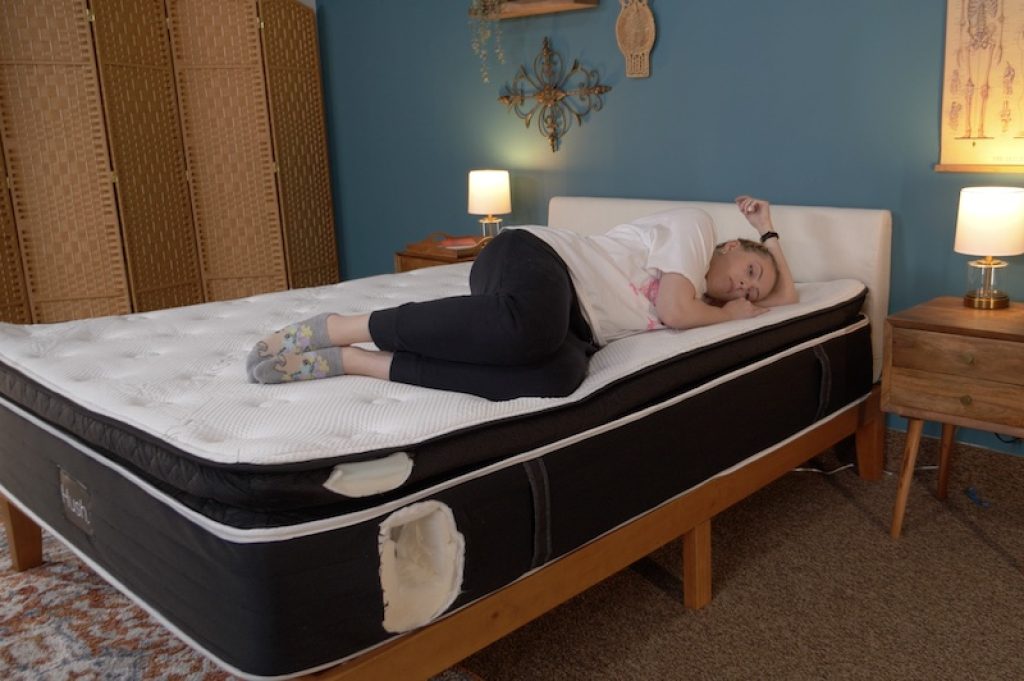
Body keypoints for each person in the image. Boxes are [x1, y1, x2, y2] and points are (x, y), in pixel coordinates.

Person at [246, 195, 798, 400]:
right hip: (538, 258)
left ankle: (360, 362)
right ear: (730, 244)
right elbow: (677, 311)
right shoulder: (697, 228)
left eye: (752, 287)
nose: (746, 287)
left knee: (556, 379)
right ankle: (343, 325)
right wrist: (760, 239)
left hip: (577, 327)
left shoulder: (711, 299)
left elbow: (790, 298)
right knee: (529, 327)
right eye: (750, 268)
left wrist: (771, 239)